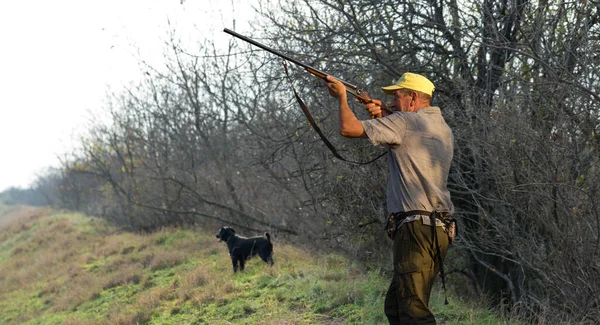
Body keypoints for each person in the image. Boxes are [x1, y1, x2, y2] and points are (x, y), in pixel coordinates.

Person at [325, 72, 455, 324]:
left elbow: (348, 128)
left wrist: (341, 96)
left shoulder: (405, 123)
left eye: (396, 97)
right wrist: (384, 114)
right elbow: (410, 138)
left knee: (413, 313)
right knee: (397, 307)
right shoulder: (441, 127)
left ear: (413, 98)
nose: (392, 103)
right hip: (439, 229)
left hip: (416, 229)